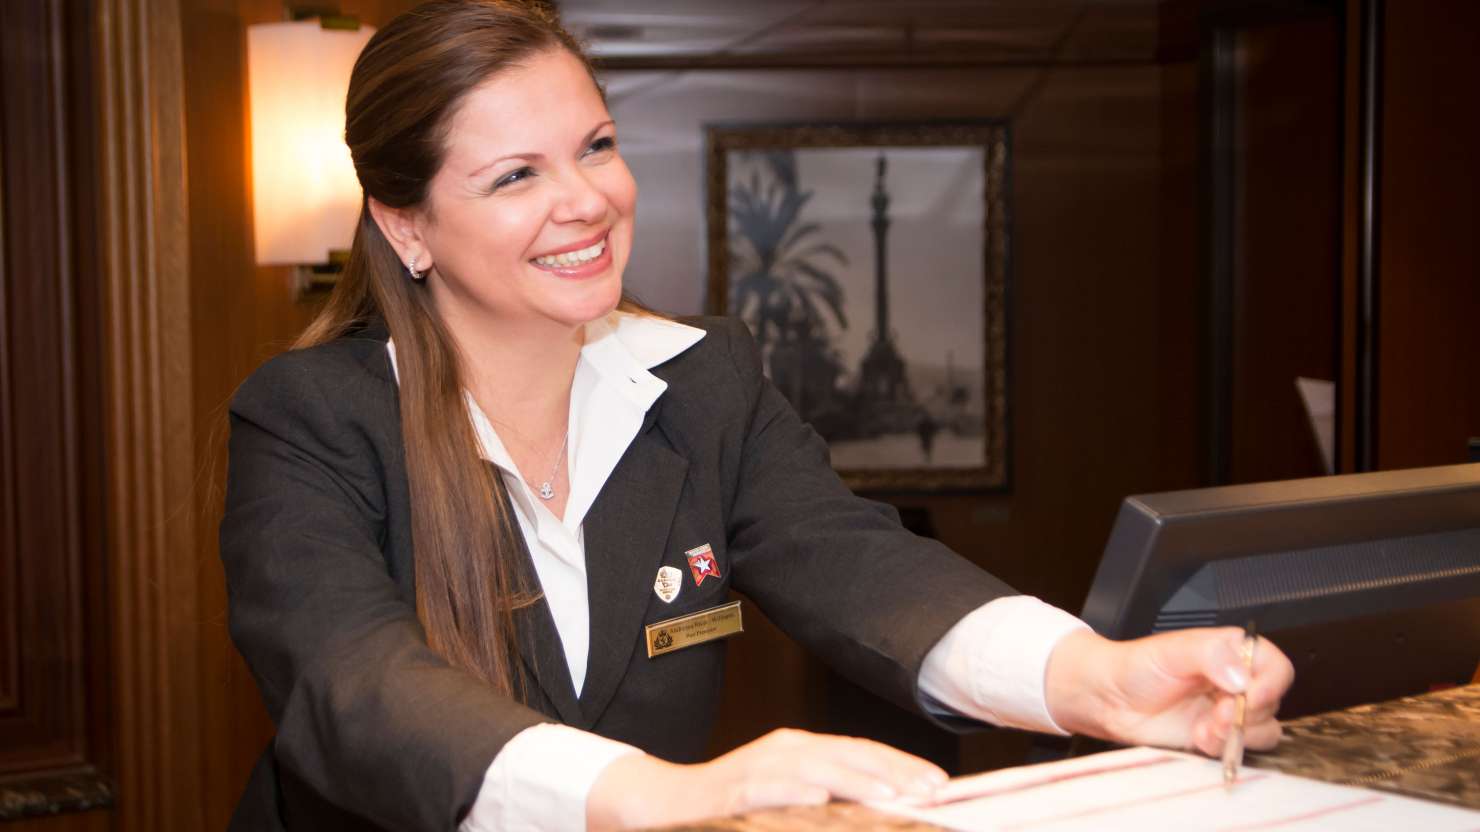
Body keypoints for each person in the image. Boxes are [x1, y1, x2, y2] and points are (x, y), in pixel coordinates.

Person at [219, 2, 1295, 830]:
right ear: (406, 226)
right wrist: (656, 793)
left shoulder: (705, 381)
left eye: (595, 146)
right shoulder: (311, 418)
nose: (586, 199)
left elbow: (853, 561)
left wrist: (1094, 679)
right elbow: (350, 684)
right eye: (514, 175)